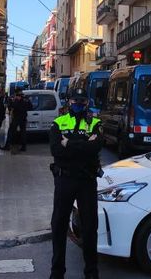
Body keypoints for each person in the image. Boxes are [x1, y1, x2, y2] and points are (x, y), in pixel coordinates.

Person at [49, 87, 103, 279]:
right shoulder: (58, 123)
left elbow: (95, 148)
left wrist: (69, 143)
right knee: (59, 225)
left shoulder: (95, 123)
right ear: (69, 103)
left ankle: (91, 273)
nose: (79, 105)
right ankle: (57, 273)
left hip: (87, 180)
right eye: (75, 102)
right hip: (65, 179)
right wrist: (83, 145)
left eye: (82, 102)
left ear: (87, 103)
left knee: (89, 227)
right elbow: (56, 150)